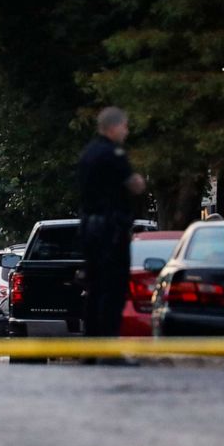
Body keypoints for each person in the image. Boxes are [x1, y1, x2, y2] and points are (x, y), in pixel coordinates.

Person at [79, 106, 146, 337]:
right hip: (110, 230)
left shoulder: (88, 153)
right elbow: (134, 185)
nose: (126, 132)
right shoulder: (113, 154)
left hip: (90, 228)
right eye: (125, 127)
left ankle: (92, 346)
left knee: (95, 289)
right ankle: (108, 346)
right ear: (114, 127)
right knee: (113, 289)